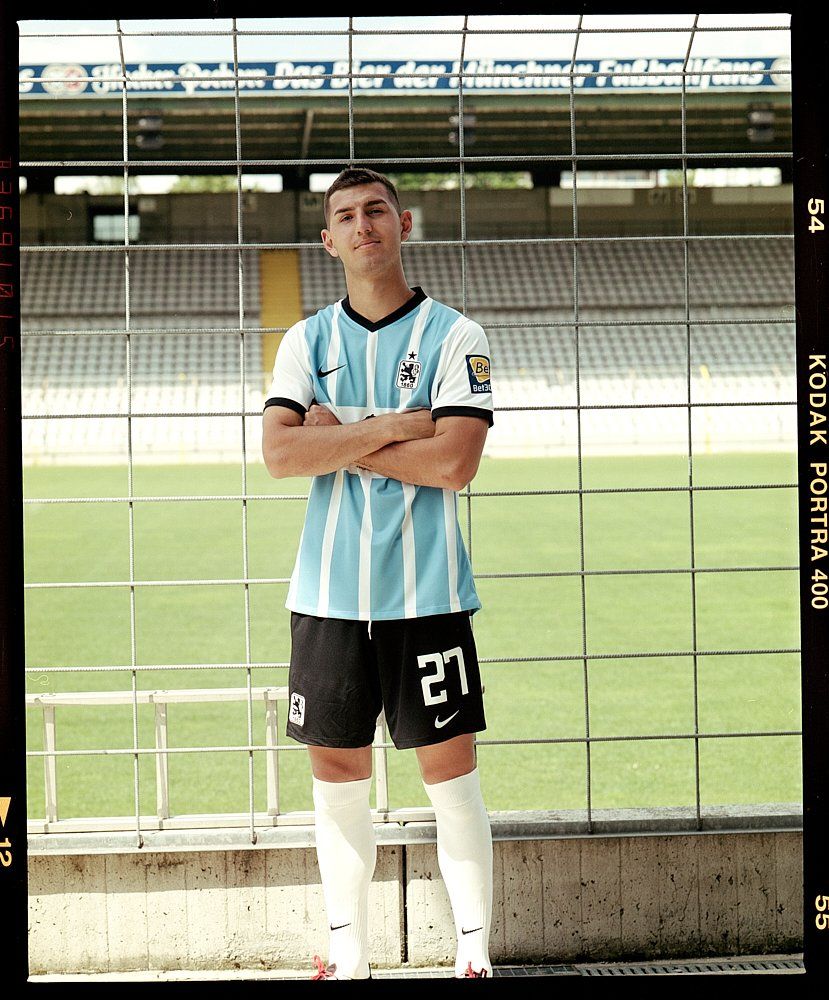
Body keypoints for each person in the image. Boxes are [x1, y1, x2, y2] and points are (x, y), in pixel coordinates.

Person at [261, 167, 494, 980]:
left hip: (426, 596)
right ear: (328, 241)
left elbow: (456, 463)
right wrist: (398, 428)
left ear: (402, 224)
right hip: (324, 600)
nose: (362, 226)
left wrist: (345, 436)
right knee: (337, 777)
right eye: (345, 217)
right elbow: (283, 454)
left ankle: (473, 955)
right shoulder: (305, 341)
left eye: (375, 212)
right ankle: (348, 954)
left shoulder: (456, 337)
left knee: (449, 777)